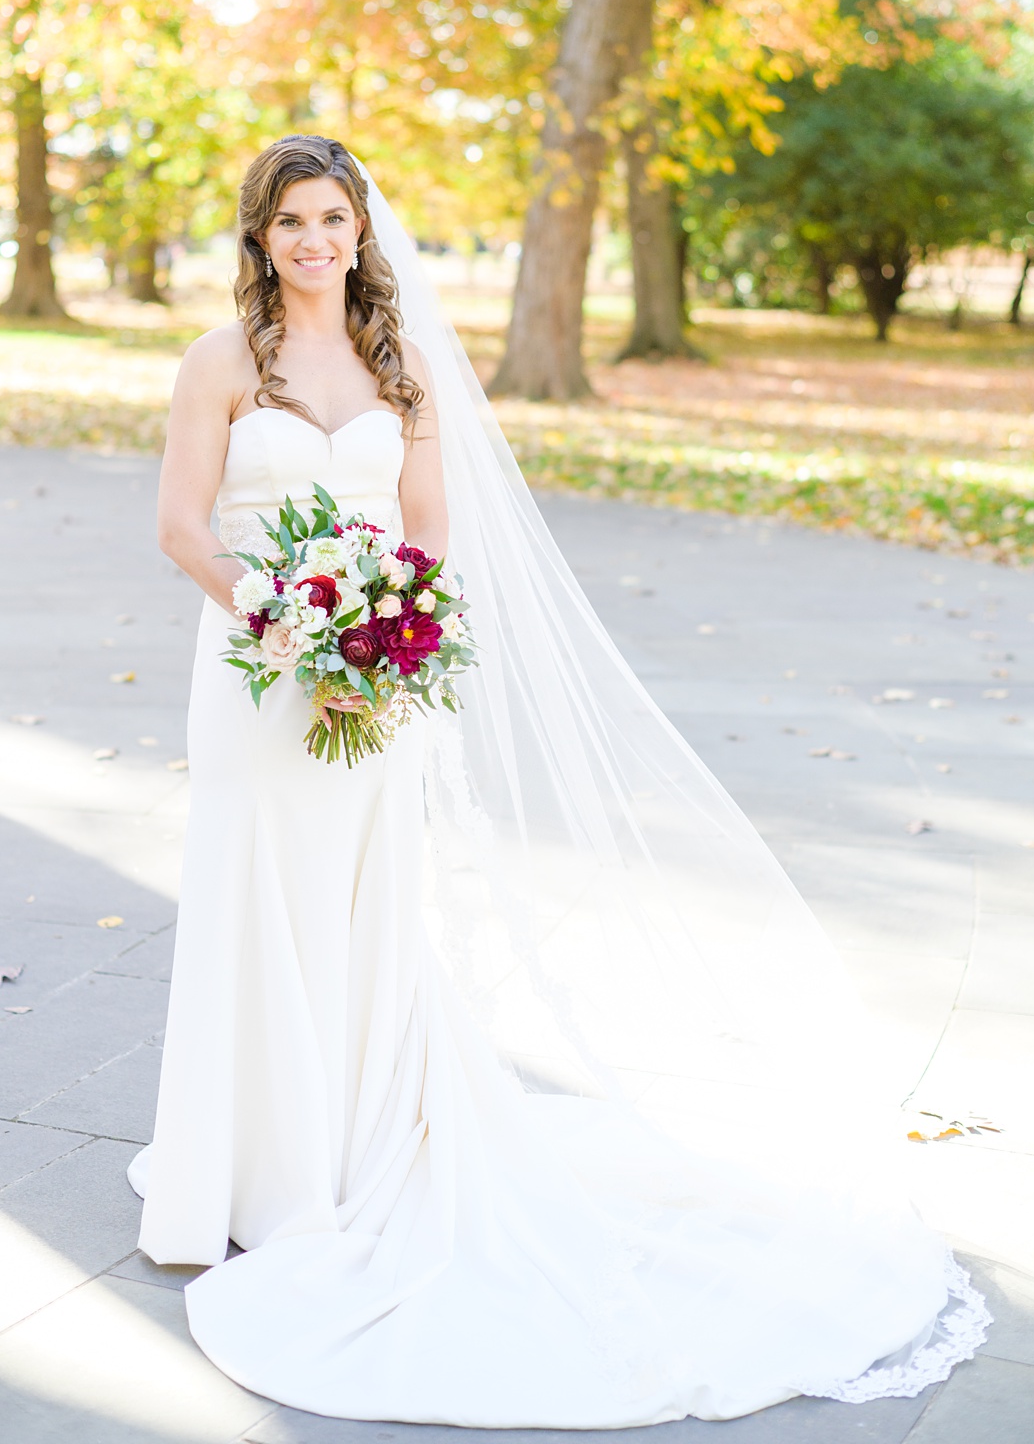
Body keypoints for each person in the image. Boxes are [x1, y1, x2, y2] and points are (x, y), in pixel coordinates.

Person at [140, 135, 985, 1427]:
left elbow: (426, 528)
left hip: (371, 673)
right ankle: (246, 1174)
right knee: (255, 897)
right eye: (292, 221)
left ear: (361, 234)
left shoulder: (401, 365)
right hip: (255, 673)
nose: (316, 241)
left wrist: (375, 638)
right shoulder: (216, 365)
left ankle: (353, 1150)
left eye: (335, 219)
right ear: (257, 236)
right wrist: (284, 624)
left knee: (363, 905)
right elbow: (181, 527)